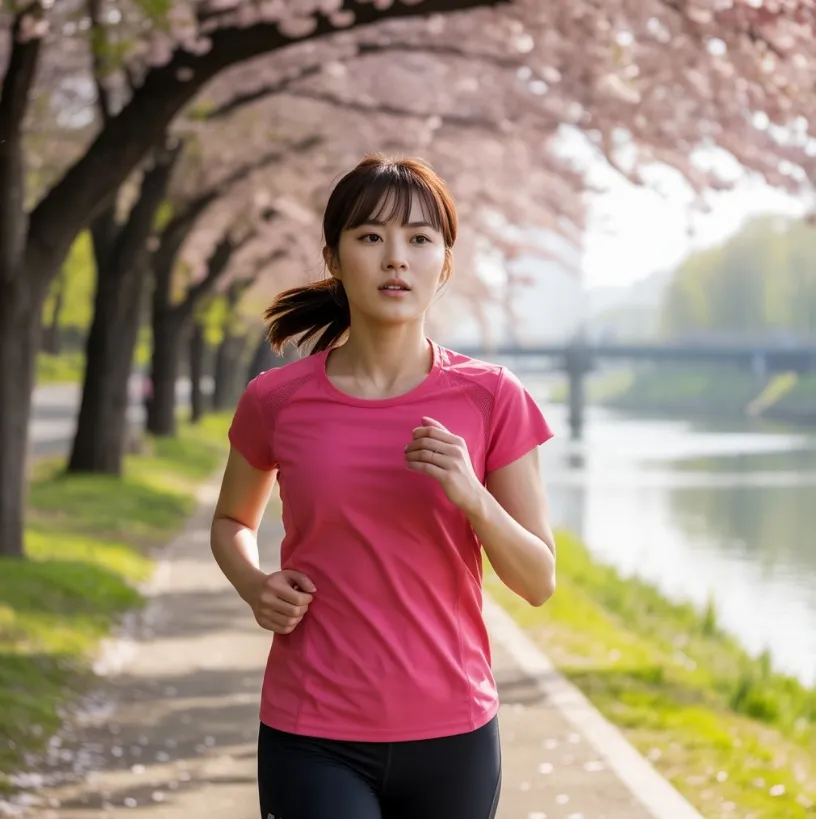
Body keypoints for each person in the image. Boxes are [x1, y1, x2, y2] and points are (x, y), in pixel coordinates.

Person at [210, 154, 557, 819]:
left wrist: (472, 495)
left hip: (453, 728)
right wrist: (255, 585)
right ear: (334, 259)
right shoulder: (276, 399)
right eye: (370, 237)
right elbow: (232, 521)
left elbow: (538, 580)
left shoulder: (492, 398)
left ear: (445, 264)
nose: (396, 258)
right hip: (312, 728)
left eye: (419, 239)